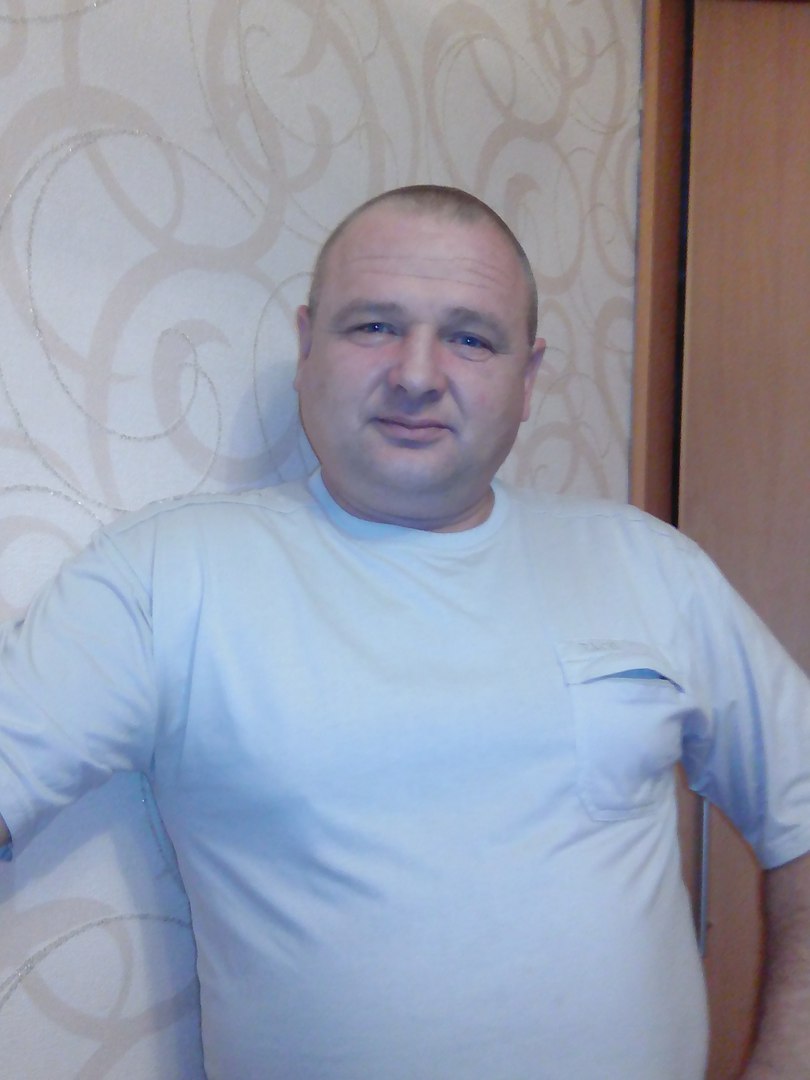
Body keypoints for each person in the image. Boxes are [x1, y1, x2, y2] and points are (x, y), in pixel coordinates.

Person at [1, 185, 809, 1079]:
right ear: (307, 346)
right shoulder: (165, 577)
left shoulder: (651, 567)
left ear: (528, 377)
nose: (417, 375)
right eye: (374, 326)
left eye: (471, 338)